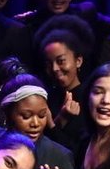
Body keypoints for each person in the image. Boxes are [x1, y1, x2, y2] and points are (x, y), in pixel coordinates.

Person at [36, 15, 96, 154]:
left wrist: (55, 123)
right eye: (49, 63)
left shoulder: (89, 98)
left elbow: (75, 152)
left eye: (61, 61)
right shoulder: (46, 98)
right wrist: (61, 119)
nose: (55, 68)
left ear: (78, 61)